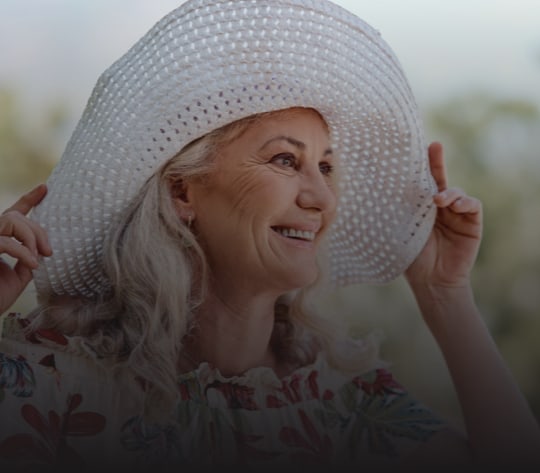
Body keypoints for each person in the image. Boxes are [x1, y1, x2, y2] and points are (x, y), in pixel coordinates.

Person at [0, 0, 539, 471]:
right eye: (285, 160)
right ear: (183, 191)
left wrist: (445, 295)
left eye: (326, 167)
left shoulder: (342, 399)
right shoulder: (54, 378)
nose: (321, 197)